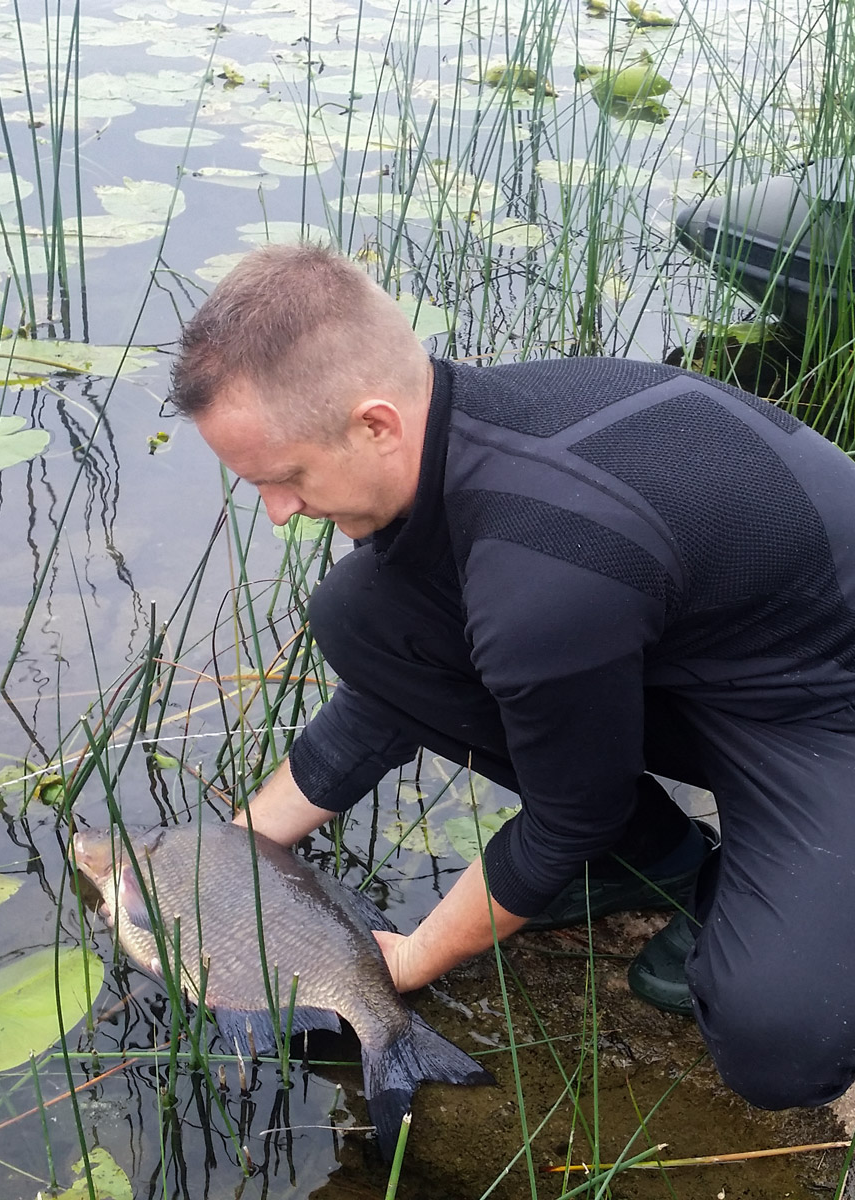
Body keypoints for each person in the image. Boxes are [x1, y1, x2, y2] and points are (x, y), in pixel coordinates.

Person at [170, 242, 855, 1112]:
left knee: (781, 1038)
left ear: (375, 423)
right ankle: (652, 860)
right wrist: (231, 855)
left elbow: (573, 814)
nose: (278, 511)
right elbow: (386, 694)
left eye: (287, 477)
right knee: (358, 611)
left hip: (829, 707)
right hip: (714, 645)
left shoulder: (540, 573)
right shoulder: (468, 431)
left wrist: (408, 958)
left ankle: (724, 896)